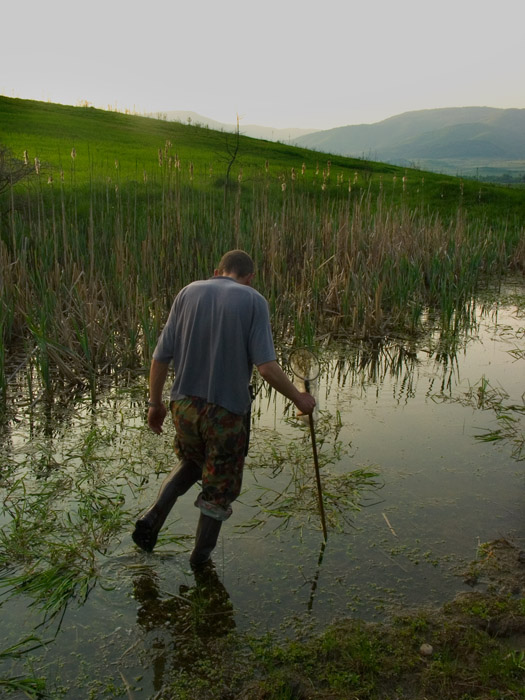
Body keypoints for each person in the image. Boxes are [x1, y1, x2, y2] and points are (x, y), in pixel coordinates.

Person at [132, 250, 315, 567]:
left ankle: (153, 515)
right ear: (250, 278)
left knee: (193, 461)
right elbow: (267, 368)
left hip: (183, 407)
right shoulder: (254, 300)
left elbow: (160, 357)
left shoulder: (188, 292)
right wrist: (299, 399)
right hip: (225, 414)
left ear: (217, 272)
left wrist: (154, 404)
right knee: (218, 491)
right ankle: (200, 562)